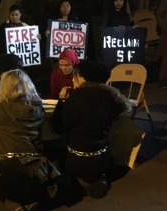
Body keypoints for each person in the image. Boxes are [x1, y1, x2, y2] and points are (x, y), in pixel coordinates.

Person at [0, 69, 79, 211]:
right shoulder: (38, 108)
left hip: (16, 172)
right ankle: (32, 199)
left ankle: (13, 203)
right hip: (39, 171)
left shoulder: (2, 112)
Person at [51, 60, 131, 198]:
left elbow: (59, 127)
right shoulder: (111, 96)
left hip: (78, 160)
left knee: (54, 148)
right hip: (103, 156)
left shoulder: (78, 98)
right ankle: (95, 179)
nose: (73, 79)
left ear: (83, 78)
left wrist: (62, 101)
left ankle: (82, 182)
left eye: (76, 75)